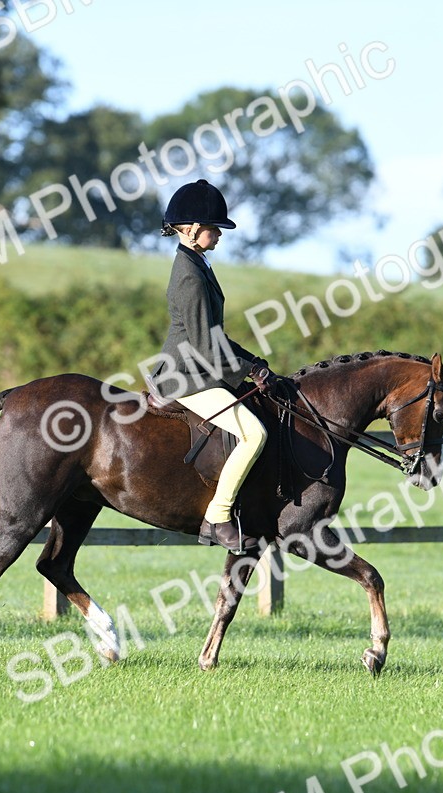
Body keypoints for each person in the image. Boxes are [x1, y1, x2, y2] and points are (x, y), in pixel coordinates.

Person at [148, 179, 273, 554]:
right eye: (213, 228)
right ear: (190, 229)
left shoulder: (197, 263)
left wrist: (252, 362)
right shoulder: (188, 273)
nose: (219, 234)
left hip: (197, 370)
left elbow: (213, 333)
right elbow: (204, 344)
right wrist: (246, 371)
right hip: (184, 377)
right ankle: (218, 516)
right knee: (255, 434)